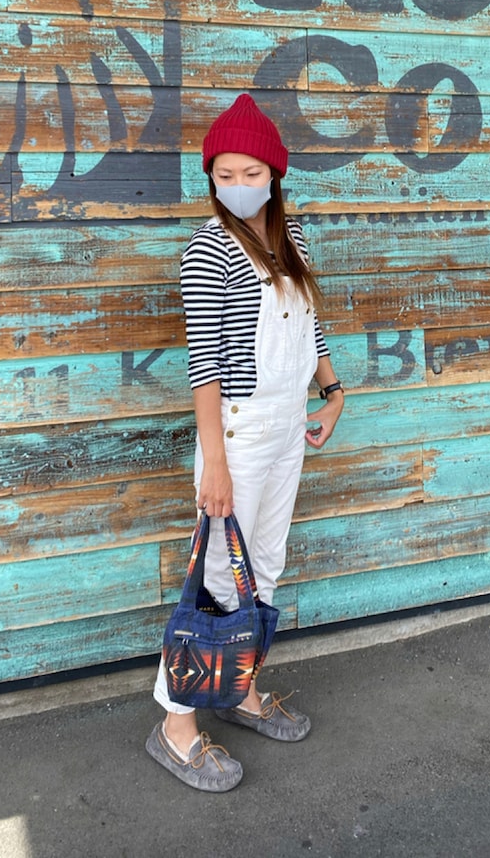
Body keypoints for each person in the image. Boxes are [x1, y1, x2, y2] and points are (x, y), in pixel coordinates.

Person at [146, 93, 345, 792]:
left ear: (274, 174)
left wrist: (332, 390)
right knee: (215, 580)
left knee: (264, 566)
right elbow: (203, 365)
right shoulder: (208, 250)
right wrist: (216, 466)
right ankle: (175, 725)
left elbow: (309, 325)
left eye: (250, 172)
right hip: (237, 433)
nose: (237, 184)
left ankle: (239, 688)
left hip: (287, 427)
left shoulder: (292, 239)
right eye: (224, 173)